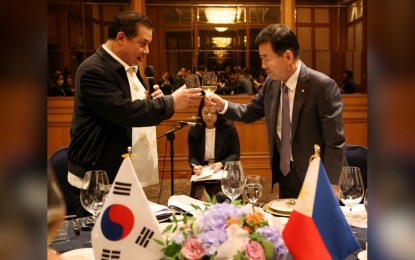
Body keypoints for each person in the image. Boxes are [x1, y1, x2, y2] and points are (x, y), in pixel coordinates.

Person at [67, 11, 201, 217]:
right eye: (142, 43)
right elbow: (124, 111)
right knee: (98, 244)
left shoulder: (129, 66)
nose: (147, 51)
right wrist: (171, 102)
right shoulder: (93, 70)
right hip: (98, 176)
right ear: (121, 38)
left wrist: (151, 100)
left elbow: (133, 106)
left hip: (122, 172)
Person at [206, 24, 346, 199]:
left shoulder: (322, 86)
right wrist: (223, 105)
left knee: (317, 226)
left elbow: (335, 141)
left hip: (319, 177)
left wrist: (332, 183)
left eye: (266, 58)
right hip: (287, 174)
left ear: (287, 56)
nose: (263, 65)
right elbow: (250, 112)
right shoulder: (272, 83)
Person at [188, 98, 240, 200]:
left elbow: (235, 154)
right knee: (199, 203)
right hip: (203, 173)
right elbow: (192, 156)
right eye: (205, 112)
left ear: (219, 113)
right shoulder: (194, 130)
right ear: (200, 112)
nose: (209, 116)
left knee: (223, 201)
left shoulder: (229, 128)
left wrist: (221, 163)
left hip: (224, 171)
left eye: (212, 113)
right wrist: (195, 166)